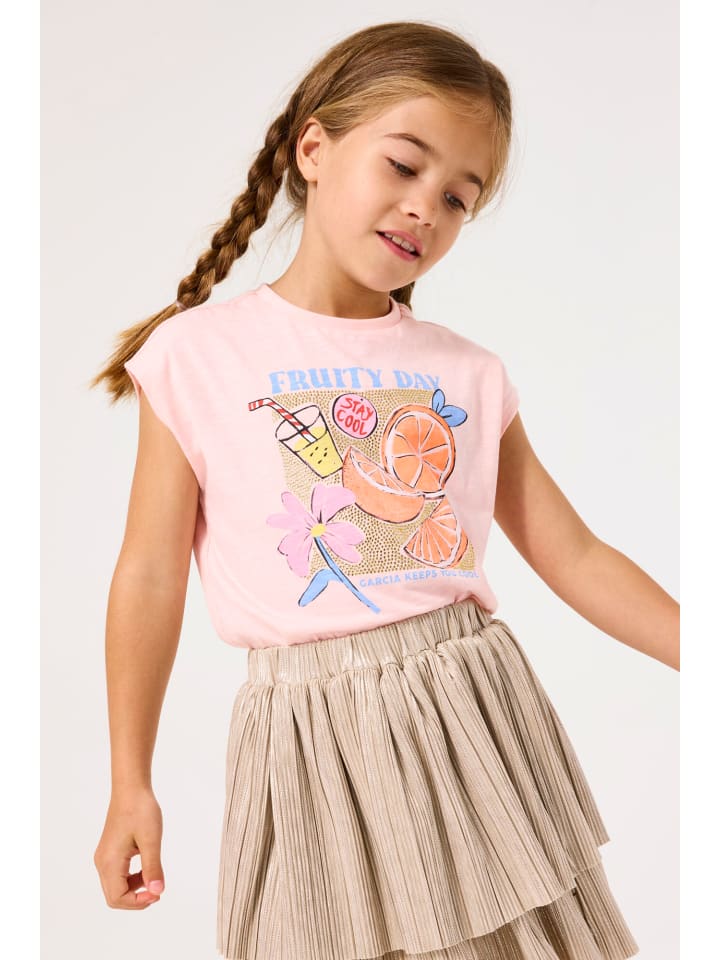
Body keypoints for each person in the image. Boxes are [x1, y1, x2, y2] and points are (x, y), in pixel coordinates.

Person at [90, 20, 678, 960]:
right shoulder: (196, 356)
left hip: (473, 722)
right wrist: (131, 780)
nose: (423, 210)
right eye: (403, 165)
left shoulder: (467, 373)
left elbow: (572, 553)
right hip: (307, 743)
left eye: (457, 198)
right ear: (313, 149)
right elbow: (150, 574)